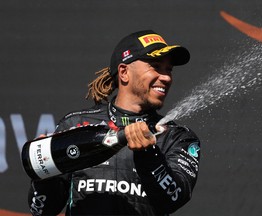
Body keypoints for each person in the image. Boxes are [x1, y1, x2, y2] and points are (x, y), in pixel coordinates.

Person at [28, 30, 200, 215]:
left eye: (169, 70)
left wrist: (149, 155)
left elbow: (174, 198)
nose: (166, 77)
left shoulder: (177, 136)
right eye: (156, 66)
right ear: (124, 72)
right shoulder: (75, 125)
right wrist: (44, 173)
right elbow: (41, 211)